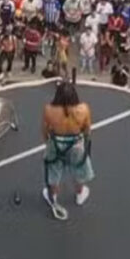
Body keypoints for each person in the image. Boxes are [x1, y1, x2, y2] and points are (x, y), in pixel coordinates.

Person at [41, 82, 94, 220]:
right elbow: (87, 130)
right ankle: (80, 195)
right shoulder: (84, 109)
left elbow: (45, 131)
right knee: (79, 168)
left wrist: (48, 143)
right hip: (76, 144)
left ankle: (53, 196)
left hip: (56, 143)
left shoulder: (49, 110)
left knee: (54, 170)